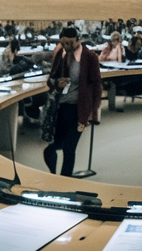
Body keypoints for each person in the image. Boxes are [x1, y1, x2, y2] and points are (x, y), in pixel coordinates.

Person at [42, 27, 102, 176]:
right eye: (63, 43)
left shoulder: (89, 57)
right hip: (60, 110)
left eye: (69, 43)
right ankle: (54, 176)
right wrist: (57, 83)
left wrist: (92, 114)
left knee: (69, 149)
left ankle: (65, 182)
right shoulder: (60, 55)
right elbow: (50, 80)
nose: (66, 46)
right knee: (50, 149)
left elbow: (96, 86)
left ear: (78, 40)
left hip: (79, 110)